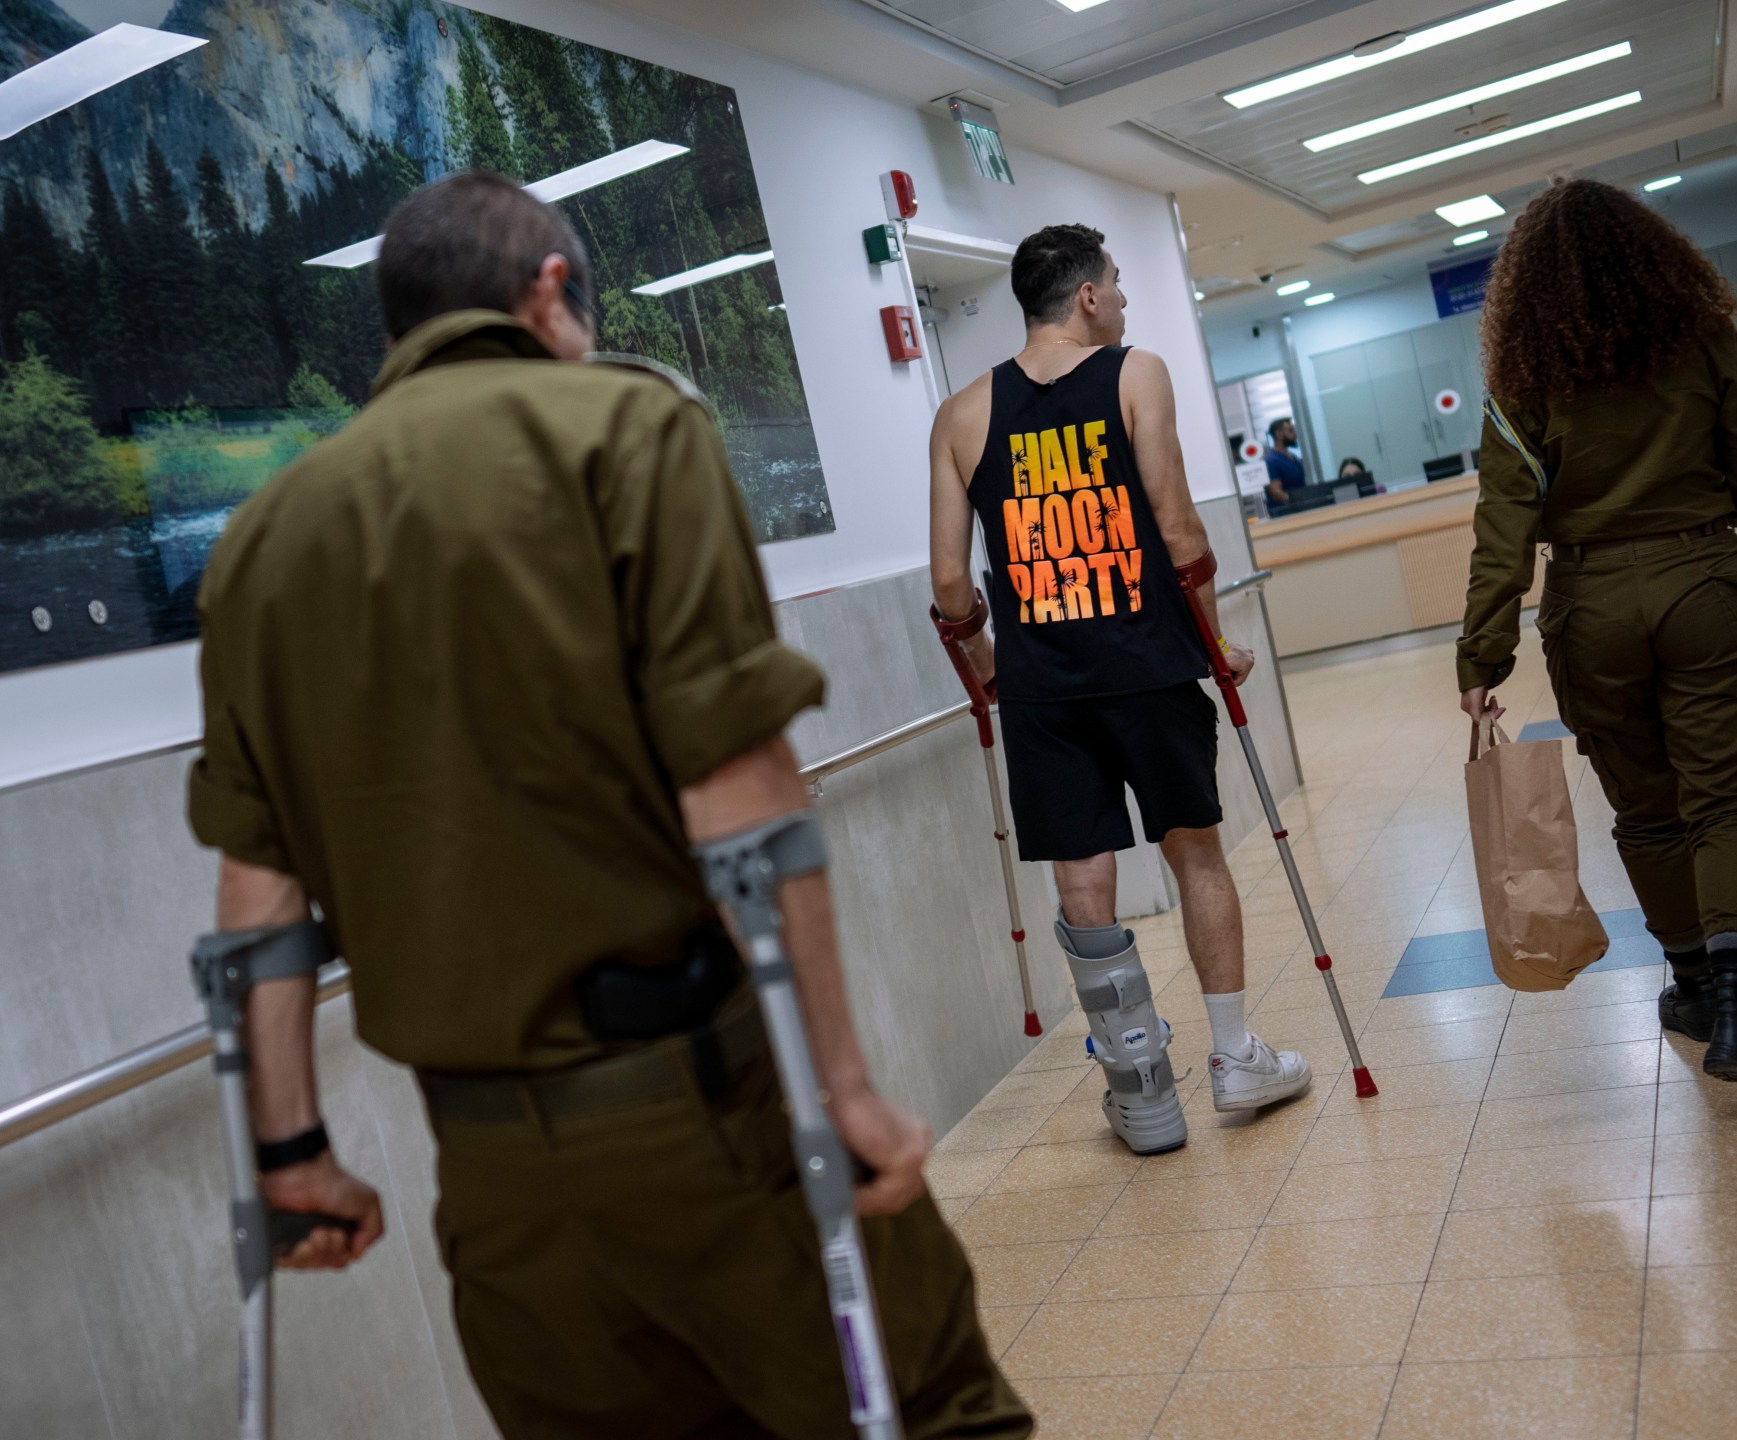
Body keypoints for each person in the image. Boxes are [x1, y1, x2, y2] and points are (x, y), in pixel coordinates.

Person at [186, 172, 1031, 1437]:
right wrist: (838, 1088)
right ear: (546, 290)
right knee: (930, 1416)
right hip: (705, 1114)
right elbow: (739, 795)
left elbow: (258, 898)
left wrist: (289, 1152)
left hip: (489, 1181)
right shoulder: (618, 433)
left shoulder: (260, 540)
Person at [927, 222, 1311, 1156]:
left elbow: (948, 583)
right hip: (1147, 666)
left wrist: (987, 667)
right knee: (1197, 853)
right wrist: (1216, 644)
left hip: (1044, 691)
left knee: (1082, 877)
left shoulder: (962, 414)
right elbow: (1179, 527)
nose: (1127, 300)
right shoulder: (1136, 375)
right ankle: (1232, 1061)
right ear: (1088, 296)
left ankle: (1142, 1093)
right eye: (1120, 284)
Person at [1456, 178, 1737, 1097]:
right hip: (1704, 584)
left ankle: (1692, 988)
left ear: (1525, 288)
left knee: (1648, 810)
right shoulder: (1701, 340)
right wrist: (1694, 511)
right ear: (1654, 256)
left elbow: (1504, 522)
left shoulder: (1523, 378)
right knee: (1726, 802)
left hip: (1593, 606)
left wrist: (1482, 655)